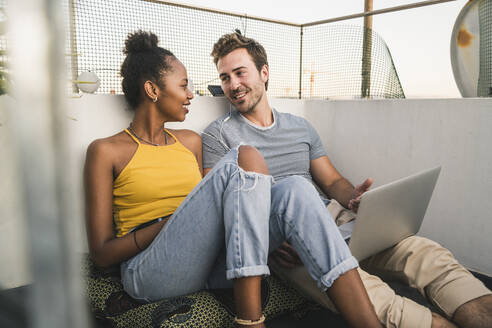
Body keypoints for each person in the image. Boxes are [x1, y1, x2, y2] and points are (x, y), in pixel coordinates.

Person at [84, 30, 382, 328]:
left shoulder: (190, 142)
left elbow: (217, 207)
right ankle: (250, 320)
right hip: (149, 269)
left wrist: (195, 223)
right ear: (152, 90)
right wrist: (171, 224)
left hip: (204, 260)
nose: (191, 95)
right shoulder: (106, 151)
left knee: (297, 189)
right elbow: (101, 254)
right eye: (184, 86)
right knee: (246, 156)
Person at [202, 31, 492, 328]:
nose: (233, 85)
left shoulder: (300, 127)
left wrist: (353, 197)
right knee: (378, 298)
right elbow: (223, 207)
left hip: (336, 217)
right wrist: (269, 241)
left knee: (426, 253)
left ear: (264, 73)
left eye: (239, 73)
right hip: (286, 241)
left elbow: (332, 182)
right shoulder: (218, 134)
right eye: (225, 77)